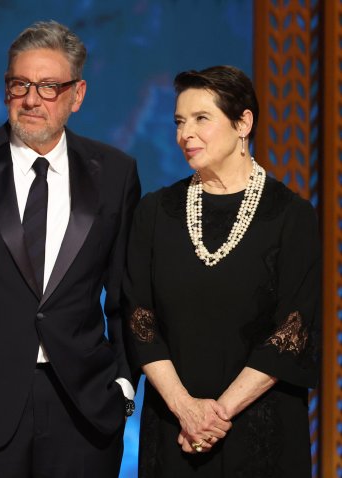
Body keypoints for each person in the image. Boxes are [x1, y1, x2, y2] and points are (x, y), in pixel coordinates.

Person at [0, 20, 139, 477]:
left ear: (78, 94)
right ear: (6, 88)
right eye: (20, 84)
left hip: (84, 407)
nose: (31, 99)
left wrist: (125, 383)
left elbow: (126, 294)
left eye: (49, 87)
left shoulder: (115, 173)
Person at [122, 65, 319, 477]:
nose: (184, 134)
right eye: (179, 122)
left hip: (262, 431)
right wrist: (185, 409)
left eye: (201, 119)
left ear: (243, 122)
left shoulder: (292, 216)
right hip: (173, 426)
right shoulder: (155, 213)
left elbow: (292, 332)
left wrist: (213, 417)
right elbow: (139, 317)